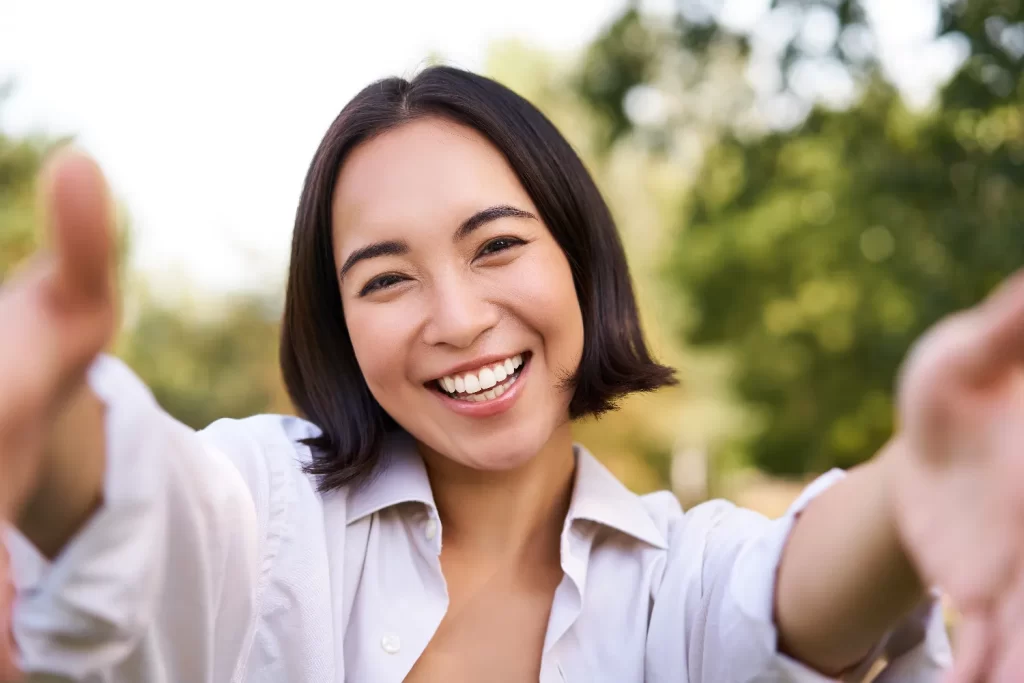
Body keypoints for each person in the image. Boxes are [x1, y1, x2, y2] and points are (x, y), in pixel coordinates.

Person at [1, 65, 1022, 683]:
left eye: (495, 246)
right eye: (387, 277)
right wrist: (43, 423)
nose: (456, 317)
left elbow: (791, 600)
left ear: (576, 255)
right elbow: (138, 503)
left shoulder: (676, 572)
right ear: (339, 321)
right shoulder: (271, 509)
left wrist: (918, 477)